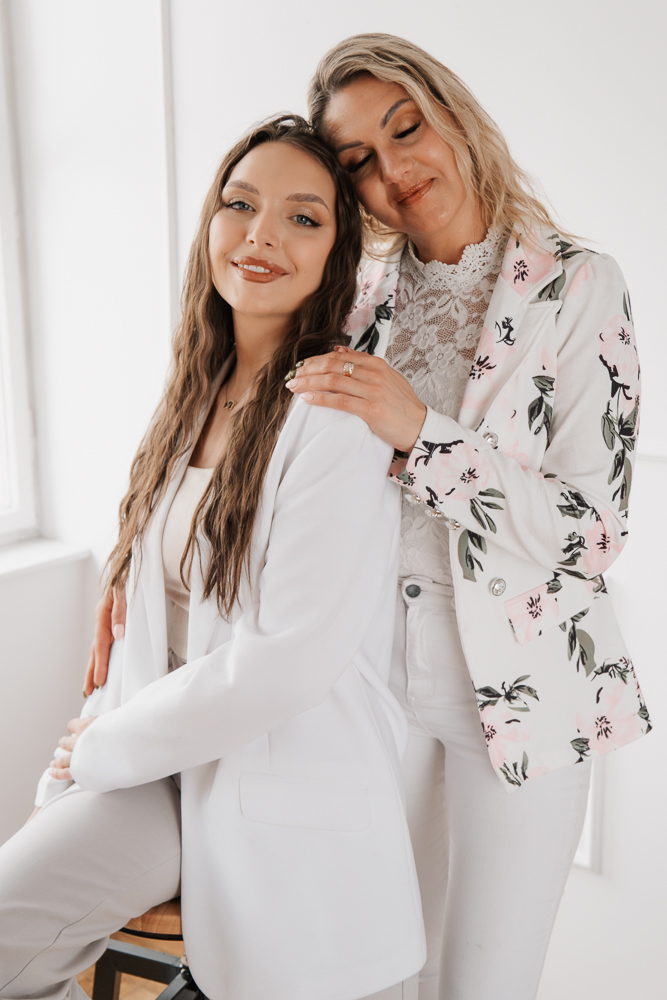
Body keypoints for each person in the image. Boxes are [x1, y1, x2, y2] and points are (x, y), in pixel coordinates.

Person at [88, 34, 651, 1000]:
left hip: (521, 697)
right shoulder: (355, 297)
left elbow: (590, 532)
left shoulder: (578, 283)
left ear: (453, 115)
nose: (393, 170)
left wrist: (422, 435)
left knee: (482, 984)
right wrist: (134, 562)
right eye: (357, 160)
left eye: (405, 128)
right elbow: (243, 432)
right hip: (368, 693)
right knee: (383, 970)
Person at [0, 116, 426, 1000]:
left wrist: (103, 746)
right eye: (240, 204)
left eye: (303, 217)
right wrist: (83, 751)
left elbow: (288, 660)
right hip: (157, 767)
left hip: (262, 780)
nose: (262, 235)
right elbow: (149, 626)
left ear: (336, 256)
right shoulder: (192, 394)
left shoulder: (334, 413)